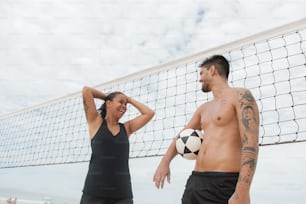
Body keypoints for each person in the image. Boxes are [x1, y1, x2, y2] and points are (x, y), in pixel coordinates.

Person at [153, 55, 259, 204]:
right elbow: (181, 136)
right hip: (196, 181)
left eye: (202, 73)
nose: (200, 79)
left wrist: (242, 190)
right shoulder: (203, 109)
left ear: (213, 70)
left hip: (224, 183)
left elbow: (251, 143)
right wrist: (165, 162)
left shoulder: (240, 95)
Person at [80, 86, 155, 204]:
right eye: (121, 102)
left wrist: (128, 99)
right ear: (108, 103)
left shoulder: (126, 128)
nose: (124, 106)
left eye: (126, 104)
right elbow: (86, 91)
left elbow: (149, 113)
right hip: (94, 193)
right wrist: (107, 97)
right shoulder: (95, 122)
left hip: (122, 196)